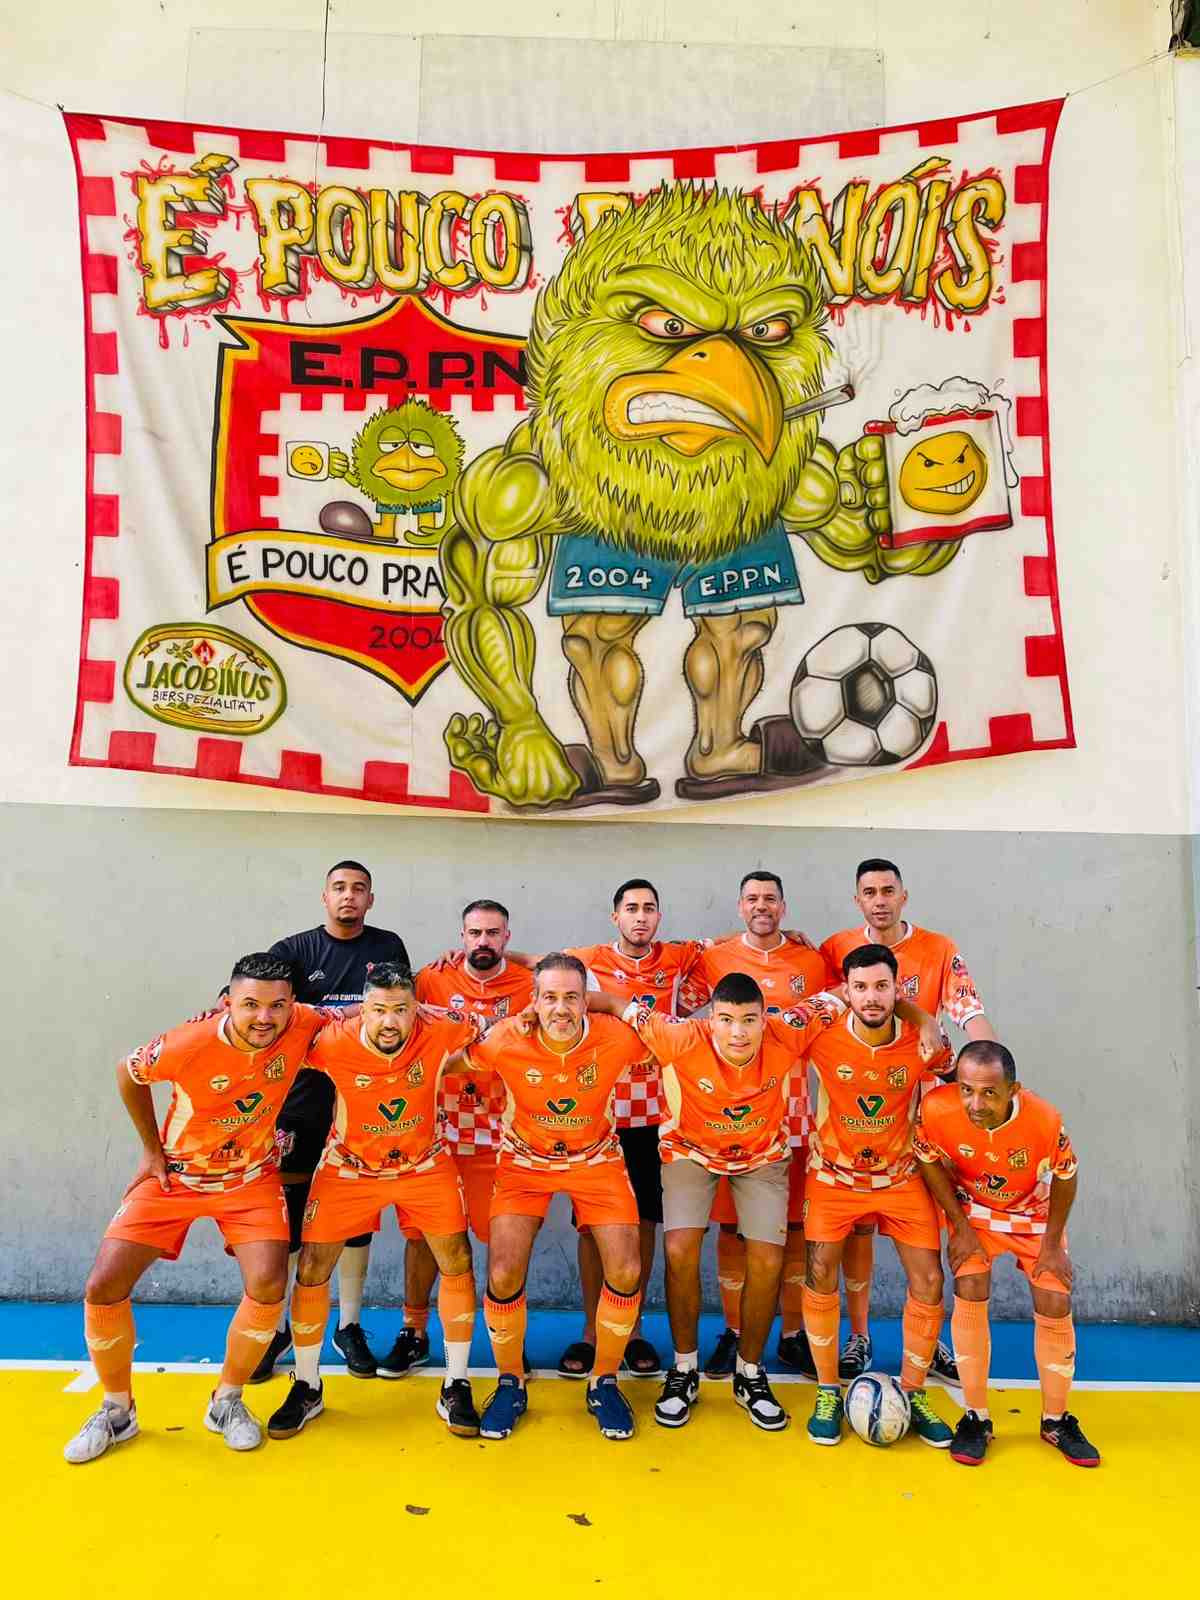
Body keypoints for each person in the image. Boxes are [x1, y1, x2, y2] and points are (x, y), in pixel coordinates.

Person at [64, 954, 335, 1463]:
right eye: (250, 1004)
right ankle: (117, 1411)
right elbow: (128, 1072)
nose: (264, 1017)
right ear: (226, 1002)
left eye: (277, 1005)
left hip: (250, 1180)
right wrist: (151, 1151)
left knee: (268, 1284)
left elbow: (367, 1012)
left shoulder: (303, 1023)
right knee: (103, 1285)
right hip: (178, 1177)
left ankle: (226, 1402)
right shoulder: (188, 1042)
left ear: (292, 1004)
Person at [589, 972, 839, 1433]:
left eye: (749, 1020)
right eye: (725, 1019)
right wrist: (542, 1010)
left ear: (765, 1019)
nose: (737, 1032)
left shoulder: (790, 1029)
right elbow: (611, 1002)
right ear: (710, 1019)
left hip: (762, 1156)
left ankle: (750, 1374)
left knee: (768, 1258)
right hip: (689, 1151)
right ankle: (684, 1368)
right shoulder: (680, 1035)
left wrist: (920, 1019)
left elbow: (844, 994)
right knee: (680, 1248)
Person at [267, 964, 482, 1441]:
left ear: (416, 1009)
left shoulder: (443, 1027)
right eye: (379, 1010)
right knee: (312, 1266)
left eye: (401, 1010)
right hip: (350, 1167)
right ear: (362, 1009)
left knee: (457, 1258)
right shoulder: (331, 1042)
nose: (390, 1021)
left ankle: (456, 1382)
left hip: (423, 1164)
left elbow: (493, 1031)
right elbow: (274, 1041)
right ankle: (307, 1384)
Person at [454, 954, 649, 1441]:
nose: (560, 1008)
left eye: (572, 998)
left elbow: (673, 1041)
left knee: (627, 1268)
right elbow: (447, 1064)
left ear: (587, 1001)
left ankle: (604, 1382)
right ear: (534, 1002)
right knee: (502, 1272)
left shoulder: (616, 1037)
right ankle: (510, 1383)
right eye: (550, 997)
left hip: (596, 1160)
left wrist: (613, 1003)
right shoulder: (507, 1038)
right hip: (524, 1163)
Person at [820, 858, 997, 1385]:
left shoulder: (938, 949)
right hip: (856, 1111)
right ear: (857, 900)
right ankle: (858, 1336)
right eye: (869, 892)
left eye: (888, 890)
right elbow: (827, 1007)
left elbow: (968, 1012)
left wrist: (993, 1064)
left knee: (926, 1234)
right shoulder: (835, 948)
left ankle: (929, 1342)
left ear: (904, 896)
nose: (879, 900)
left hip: (922, 1116)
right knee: (857, 1229)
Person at [257, 860, 410, 1382]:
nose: (349, 896)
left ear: (371, 899)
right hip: (300, 1100)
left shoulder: (388, 946)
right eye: (339, 888)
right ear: (324, 897)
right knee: (290, 1217)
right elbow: (263, 1008)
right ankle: (276, 1328)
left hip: (362, 1101)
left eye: (359, 889)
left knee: (354, 1214)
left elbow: (400, 1010)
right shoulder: (293, 951)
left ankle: (349, 1326)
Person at [800, 944, 956, 1448]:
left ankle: (914, 1391)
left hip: (900, 1176)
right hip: (834, 1178)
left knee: (930, 1280)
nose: (871, 997)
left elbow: (961, 1085)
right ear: (845, 990)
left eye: (882, 987)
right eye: (861, 987)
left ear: (897, 989)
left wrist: (925, 1019)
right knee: (820, 1271)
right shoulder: (822, 1034)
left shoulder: (922, 1040)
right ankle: (828, 1390)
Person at [914, 1041, 1099, 1467]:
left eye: (989, 1093)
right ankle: (975, 1418)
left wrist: (1052, 1245)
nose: (975, 1104)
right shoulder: (936, 1109)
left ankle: (1056, 1421)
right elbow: (927, 1160)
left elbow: (1067, 1175)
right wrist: (959, 1226)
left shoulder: (1045, 1120)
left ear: (1013, 1090)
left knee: (1054, 1297)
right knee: (970, 1284)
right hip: (974, 1212)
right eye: (966, 1090)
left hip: (1032, 1214)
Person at [687, 870, 835, 1381]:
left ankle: (792, 1335)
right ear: (740, 906)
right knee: (732, 1228)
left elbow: (838, 1013)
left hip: (797, 1114)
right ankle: (733, 1331)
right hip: (733, 1116)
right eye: (752, 899)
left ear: (783, 906)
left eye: (770, 899)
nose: (761, 906)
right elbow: (668, 988)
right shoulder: (714, 957)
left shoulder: (811, 961)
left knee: (792, 1228)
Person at [556, 878, 706, 1381]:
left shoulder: (679, 959)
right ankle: (591, 1333)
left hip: (656, 1117)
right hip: (598, 1114)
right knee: (590, 1224)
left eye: (649, 908)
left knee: (643, 1223)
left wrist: (789, 936)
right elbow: (536, 967)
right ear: (614, 916)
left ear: (659, 916)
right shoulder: (586, 961)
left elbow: (735, 944)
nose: (640, 916)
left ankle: (633, 1330)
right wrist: (489, 953)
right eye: (631, 908)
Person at [381, 901, 535, 1377]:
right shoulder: (431, 980)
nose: (483, 941)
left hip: (501, 1137)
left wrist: (528, 961)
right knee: (422, 1237)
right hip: (436, 1134)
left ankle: (507, 1339)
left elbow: (574, 982)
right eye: (474, 933)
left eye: (492, 933)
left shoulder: (529, 984)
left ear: (507, 936)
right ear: (461, 936)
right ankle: (413, 1331)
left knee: (504, 1246)